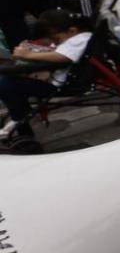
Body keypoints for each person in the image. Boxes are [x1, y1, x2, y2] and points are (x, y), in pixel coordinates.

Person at [0, 8, 92, 149]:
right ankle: (20, 115)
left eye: (56, 37)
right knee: (10, 80)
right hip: (59, 80)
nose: (55, 41)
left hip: (59, 85)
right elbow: (60, 52)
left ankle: (20, 119)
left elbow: (62, 56)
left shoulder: (78, 40)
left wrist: (28, 55)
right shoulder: (78, 37)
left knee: (6, 83)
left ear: (72, 30)